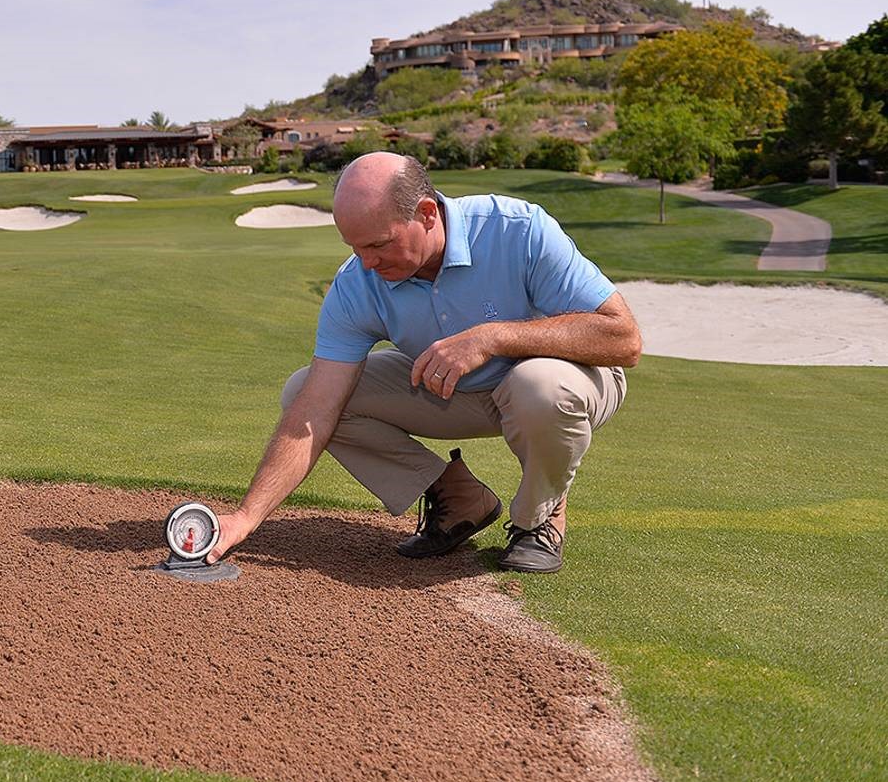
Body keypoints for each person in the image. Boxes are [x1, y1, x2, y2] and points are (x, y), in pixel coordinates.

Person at [207, 152, 640, 573]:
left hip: (566, 380)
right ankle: (458, 498)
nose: (367, 262)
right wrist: (246, 517)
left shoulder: (518, 230)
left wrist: (492, 337)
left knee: (539, 386)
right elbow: (316, 406)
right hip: (453, 392)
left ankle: (539, 519)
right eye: (355, 247)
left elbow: (624, 339)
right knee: (301, 391)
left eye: (379, 244)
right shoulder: (358, 282)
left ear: (428, 213)